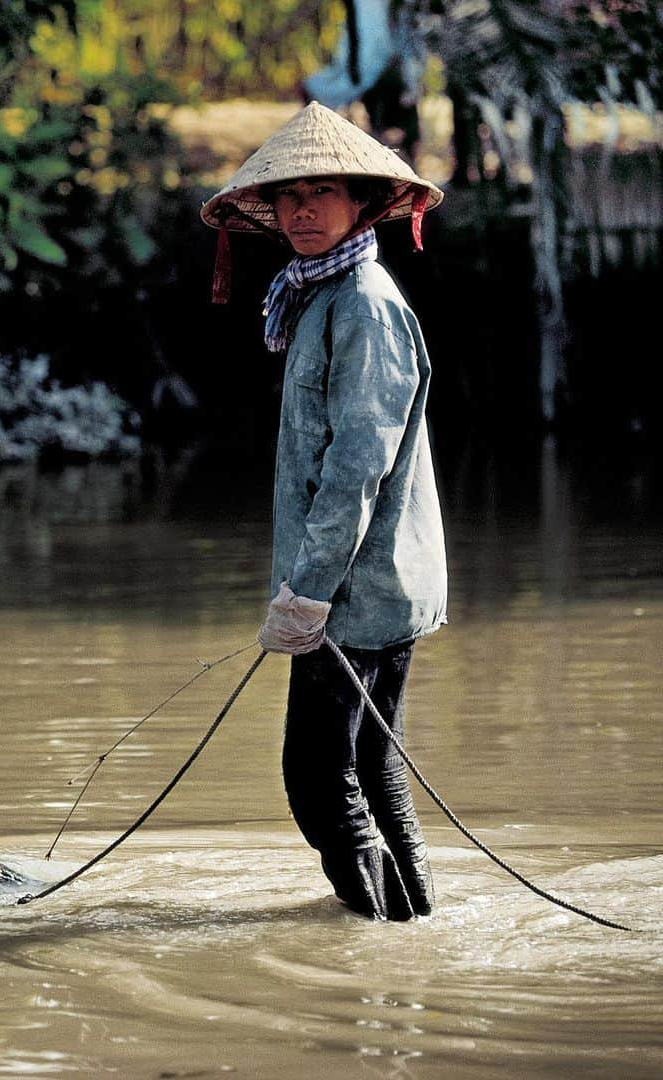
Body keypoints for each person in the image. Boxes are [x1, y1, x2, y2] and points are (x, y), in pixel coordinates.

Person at [200, 101, 447, 921]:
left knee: (316, 777)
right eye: (290, 197)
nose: (304, 210)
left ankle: (375, 949)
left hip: (356, 592)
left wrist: (307, 594)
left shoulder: (363, 305)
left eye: (325, 193)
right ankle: (415, 933)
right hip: (374, 583)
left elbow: (356, 468)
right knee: (372, 768)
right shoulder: (322, 296)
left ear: (363, 205)